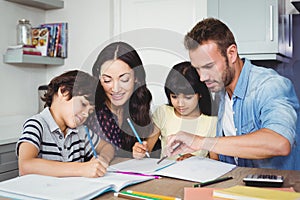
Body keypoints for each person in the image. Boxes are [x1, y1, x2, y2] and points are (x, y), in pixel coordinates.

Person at [165, 18, 300, 170]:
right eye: (198, 68)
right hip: (237, 187)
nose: (202, 77)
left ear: (231, 53)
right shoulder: (220, 90)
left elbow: (279, 142)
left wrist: (200, 141)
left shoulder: (269, 85)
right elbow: (228, 156)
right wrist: (197, 161)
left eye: (209, 66)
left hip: (276, 191)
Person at [17, 70, 115, 177]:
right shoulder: (36, 125)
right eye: (83, 104)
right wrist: (81, 169)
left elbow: (107, 147)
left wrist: (102, 159)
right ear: (63, 91)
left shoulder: (80, 131)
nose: (86, 114)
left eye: (90, 111)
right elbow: (25, 165)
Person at [86, 42, 161, 157]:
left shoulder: (139, 105)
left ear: (136, 78)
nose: (115, 89)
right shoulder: (90, 111)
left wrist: (142, 151)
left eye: (124, 79)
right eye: (107, 80)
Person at [132, 61, 218, 161]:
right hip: (166, 174)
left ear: (200, 94)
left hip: (196, 174)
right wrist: (140, 151)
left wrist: (195, 160)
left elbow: (215, 162)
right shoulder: (163, 113)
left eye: (188, 97)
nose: (180, 104)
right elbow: (147, 149)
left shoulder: (212, 122)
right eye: (174, 97)